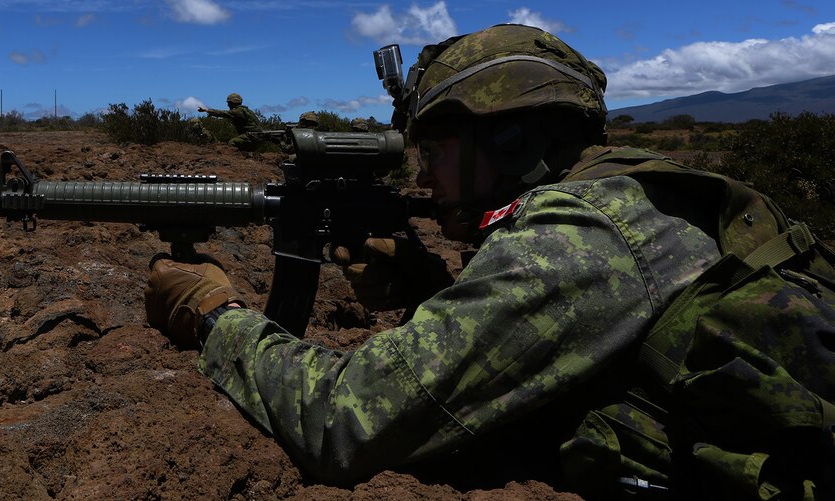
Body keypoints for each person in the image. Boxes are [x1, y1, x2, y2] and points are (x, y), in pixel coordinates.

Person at [144, 25, 825, 494]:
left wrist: (213, 312)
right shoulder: (643, 194)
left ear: (508, 139)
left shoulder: (577, 236)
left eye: (433, 152)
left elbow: (345, 421)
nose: (420, 179)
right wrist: (432, 288)